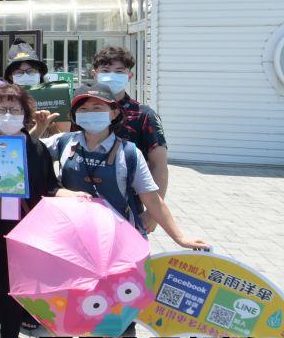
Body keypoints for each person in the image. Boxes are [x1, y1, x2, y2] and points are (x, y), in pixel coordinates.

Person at [0, 83, 81, 338]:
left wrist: (75, 196)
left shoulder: (35, 148)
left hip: (22, 231)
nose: (8, 115)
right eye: (2, 109)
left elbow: (50, 187)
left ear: (25, 115)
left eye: (15, 110)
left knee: (14, 291)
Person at [45, 83, 206, 249]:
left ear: (114, 113)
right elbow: (25, 148)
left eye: (97, 107)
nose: (90, 113)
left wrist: (180, 239)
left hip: (118, 239)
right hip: (73, 237)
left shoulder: (129, 153)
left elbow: (151, 198)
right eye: (83, 109)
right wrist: (37, 128)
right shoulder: (63, 142)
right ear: (74, 115)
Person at [90, 46, 170, 226]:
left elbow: (159, 166)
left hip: (128, 207)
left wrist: (153, 213)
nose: (111, 75)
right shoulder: (82, 111)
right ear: (95, 74)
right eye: (105, 71)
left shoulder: (143, 115)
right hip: (86, 203)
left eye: (119, 71)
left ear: (129, 76)